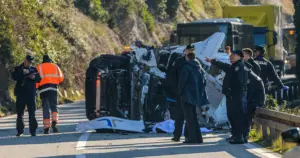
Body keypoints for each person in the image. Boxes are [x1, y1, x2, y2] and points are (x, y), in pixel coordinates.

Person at [206, 50, 248, 144]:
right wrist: (213, 61)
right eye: (231, 55)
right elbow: (225, 66)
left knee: (237, 116)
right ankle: (235, 135)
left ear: (240, 56)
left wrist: (231, 90)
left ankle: (239, 137)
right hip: (231, 95)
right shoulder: (234, 66)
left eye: (234, 55)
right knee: (231, 116)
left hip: (236, 95)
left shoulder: (240, 66)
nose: (231, 57)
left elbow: (239, 82)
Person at [178, 52, 209, 144]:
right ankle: (197, 138)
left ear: (187, 57)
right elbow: (204, 83)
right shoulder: (200, 68)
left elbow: (182, 82)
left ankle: (192, 138)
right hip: (197, 96)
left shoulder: (186, 67)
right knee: (193, 117)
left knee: (189, 118)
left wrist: (180, 93)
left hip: (187, 95)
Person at [170, 44, 194, 142]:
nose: (189, 51)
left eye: (191, 50)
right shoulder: (179, 61)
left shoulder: (195, 61)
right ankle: (177, 135)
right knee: (179, 115)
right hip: (180, 91)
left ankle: (188, 136)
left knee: (189, 116)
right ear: (185, 51)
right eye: (188, 50)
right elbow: (173, 74)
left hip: (190, 92)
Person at [12, 55, 41, 136]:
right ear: (25, 61)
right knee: (20, 114)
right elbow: (14, 77)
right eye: (27, 61)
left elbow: (39, 78)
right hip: (21, 94)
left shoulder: (33, 69)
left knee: (32, 113)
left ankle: (33, 131)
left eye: (30, 62)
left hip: (31, 94)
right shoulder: (18, 68)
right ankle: (20, 131)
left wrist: (34, 77)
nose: (28, 63)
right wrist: (23, 73)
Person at [36, 55, 64, 134]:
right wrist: (56, 82)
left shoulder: (39, 67)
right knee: (54, 106)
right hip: (53, 89)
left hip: (43, 90)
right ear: (50, 60)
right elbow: (61, 78)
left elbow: (36, 80)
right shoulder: (55, 66)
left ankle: (46, 128)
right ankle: (54, 122)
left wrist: (37, 88)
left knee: (45, 108)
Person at [243, 62, 265, 143]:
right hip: (255, 102)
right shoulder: (255, 77)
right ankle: (245, 135)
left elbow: (250, 92)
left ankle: (245, 135)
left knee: (246, 118)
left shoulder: (250, 78)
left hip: (252, 102)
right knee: (247, 119)